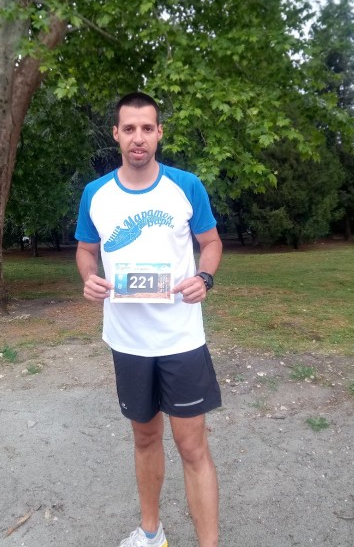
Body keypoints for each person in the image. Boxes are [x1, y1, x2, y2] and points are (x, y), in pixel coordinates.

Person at [75, 92, 223, 547]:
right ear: (116, 134)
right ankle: (151, 533)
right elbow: (86, 250)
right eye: (129, 129)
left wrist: (204, 277)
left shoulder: (186, 186)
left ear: (159, 133)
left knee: (192, 447)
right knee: (144, 438)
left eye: (146, 128)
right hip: (128, 341)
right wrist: (89, 277)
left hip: (181, 338)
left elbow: (211, 243)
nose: (138, 138)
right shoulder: (95, 194)